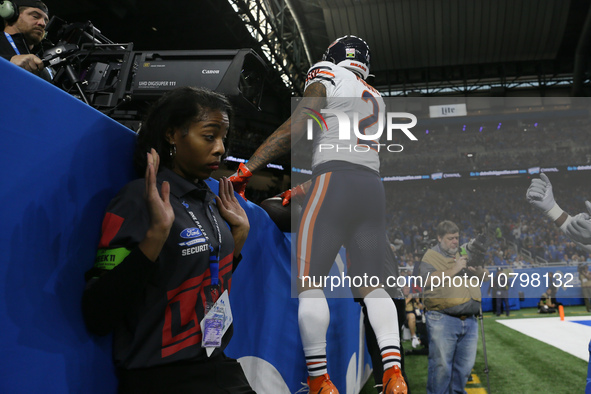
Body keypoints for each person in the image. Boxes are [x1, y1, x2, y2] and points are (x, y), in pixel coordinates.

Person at [230, 35, 407, 393]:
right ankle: (394, 374)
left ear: (332, 57)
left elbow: (300, 121)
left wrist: (247, 169)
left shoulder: (327, 72)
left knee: (309, 285)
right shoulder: (377, 96)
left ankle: (319, 380)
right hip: (371, 188)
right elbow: (355, 158)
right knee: (373, 288)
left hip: (335, 183)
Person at [81, 87, 254, 393]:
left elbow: (204, 280)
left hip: (217, 365)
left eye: (223, 138)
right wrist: (156, 235)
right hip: (160, 378)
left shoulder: (210, 201)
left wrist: (238, 237)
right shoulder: (139, 199)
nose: (220, 149)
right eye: (209, 136)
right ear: (172, 134)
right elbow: (98, 313)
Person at [418, 220, 489, 394]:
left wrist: (479, 271)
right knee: (441, 368)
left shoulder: (463, 253)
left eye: (457, 238)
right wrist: (455, 269)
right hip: (443, 318)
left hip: (470, 320)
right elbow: (425, 281)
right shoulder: (430, 256)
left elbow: (485, 276)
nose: (455, 242)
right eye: (450, 238)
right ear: (439, 238)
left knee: (464, 368)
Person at [0, 0, 51, 80]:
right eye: (35, 16)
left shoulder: (41, 57)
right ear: (12, 15)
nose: (43, 23)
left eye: (46, 21)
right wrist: (7, 62)